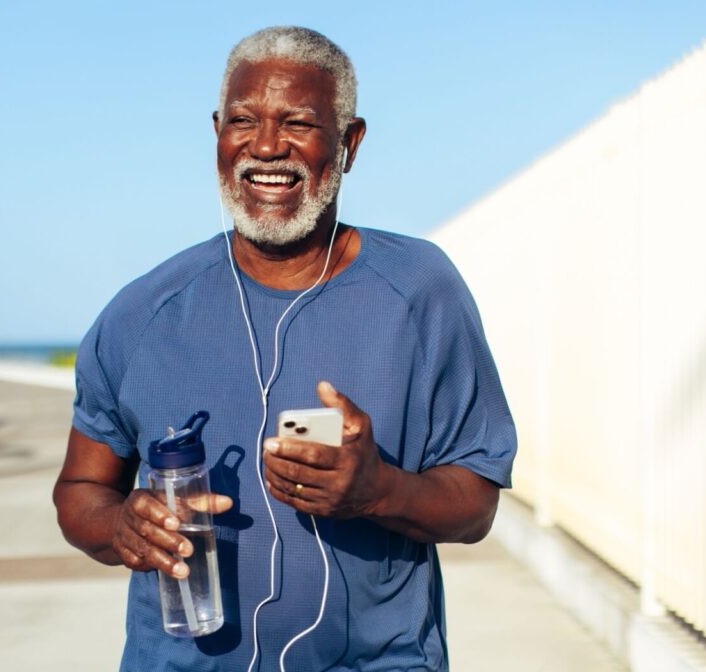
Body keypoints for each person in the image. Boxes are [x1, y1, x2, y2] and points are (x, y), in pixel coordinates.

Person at [54, 26, 517, 671]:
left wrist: (377, 490)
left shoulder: (419, 291)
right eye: (244, 120)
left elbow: (476, 504)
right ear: (217, 132)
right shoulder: (141, 315)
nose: (266, 146)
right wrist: (120, 526)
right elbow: (79, 491)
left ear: (350, 143)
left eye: (297, 123)